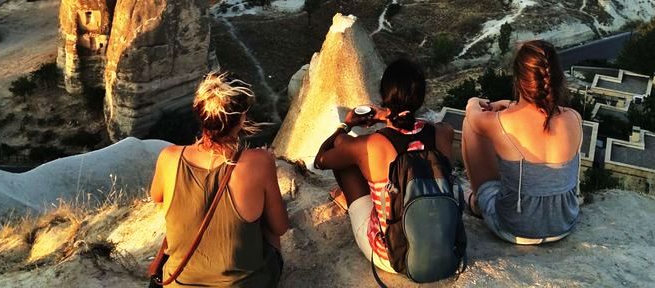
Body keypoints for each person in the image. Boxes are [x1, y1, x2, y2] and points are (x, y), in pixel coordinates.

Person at [313, 58, 455, 274]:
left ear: (384, 95)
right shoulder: (443, 133)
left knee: (345, 155)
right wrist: (388, 117)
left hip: (393, 256)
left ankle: (347, 201)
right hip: (444, 247)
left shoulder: (372, 144)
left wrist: (346, 125)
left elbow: (321, 159)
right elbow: (418, 130)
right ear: (421, 98)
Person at [150, 73, 289, 287]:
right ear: (242, 118)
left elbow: (156, 196)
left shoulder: (169, 157)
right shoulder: (260, 161)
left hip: (177, 283)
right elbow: (279, 228)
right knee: (265, 217)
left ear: (199, 113)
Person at [461, 40, 583, 244]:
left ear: (518, 80)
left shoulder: (500, 123)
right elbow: (539, 115)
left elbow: (472, 114)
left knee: (468, 125)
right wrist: (509, 105)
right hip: (564, 224)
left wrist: (474, 101)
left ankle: (477, 203)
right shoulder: (574, 118)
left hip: (514, 228)